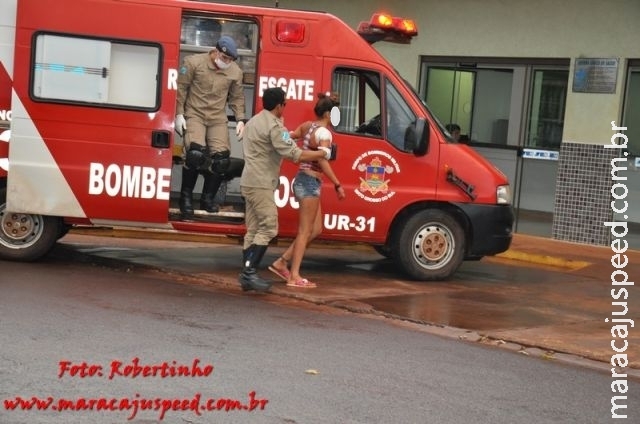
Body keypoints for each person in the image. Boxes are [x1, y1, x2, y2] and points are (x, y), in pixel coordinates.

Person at [239, 87, 332, 292]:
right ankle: (249, 274)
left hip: (249, 181)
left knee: (253, 229)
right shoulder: (274, 126)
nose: (285, 108)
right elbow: (295, 154)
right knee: (268, 228)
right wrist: (322, 153)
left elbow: (283, 143)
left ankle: (247, 273)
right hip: (261, 183)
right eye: (285, 104)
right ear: (279, 105)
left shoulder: (254, 120)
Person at [268, 93, 345, 288]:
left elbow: (288, 136)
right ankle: (294, 276)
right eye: (336, 112)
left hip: (303, 180)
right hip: (310, 183)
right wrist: (337, 183)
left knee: (316, 229)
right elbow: (322, 160)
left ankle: (282, 262)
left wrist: (277, 134)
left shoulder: (307, 126)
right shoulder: (324, 134)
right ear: (328, 113)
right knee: (304, 232)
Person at [174, 35, 246, 218]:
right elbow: (181, 88)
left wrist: (240, 119)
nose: (227, 62)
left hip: (216, 117)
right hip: (195, 114)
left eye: (230, 60)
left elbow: (237, 97)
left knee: (222, 160)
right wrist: (179, 113)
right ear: (215, 51)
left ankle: (208, 199)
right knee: (194, 154)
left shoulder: (235, 72)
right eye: (224, 58)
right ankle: (186, 198)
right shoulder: (193, 63)